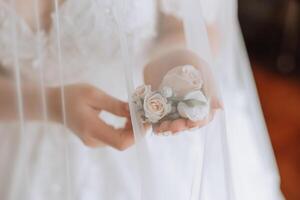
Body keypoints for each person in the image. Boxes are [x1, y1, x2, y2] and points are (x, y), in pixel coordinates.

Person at [0, 0, 283, 199]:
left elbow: (184, 27)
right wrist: (50, 104)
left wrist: (178, 71)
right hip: (22, 130)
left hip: (149, 138)